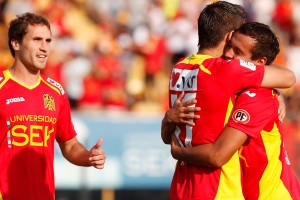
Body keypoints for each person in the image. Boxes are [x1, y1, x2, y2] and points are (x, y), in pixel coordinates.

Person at [160, 1, 295, 200]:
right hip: (218, 188)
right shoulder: (225, 70)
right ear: (230, 36)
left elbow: (167, 137)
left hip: (181, 185)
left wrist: (167, 121)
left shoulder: (179, 68)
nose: (232, 54)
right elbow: (289, 77)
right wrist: (274, 89)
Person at [0, 12, 106, 200]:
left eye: (48, 41)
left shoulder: (56, 92)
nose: (44, 48)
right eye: (37, 40)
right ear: (16, 44)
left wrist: (88, 157)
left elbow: (70, 145)